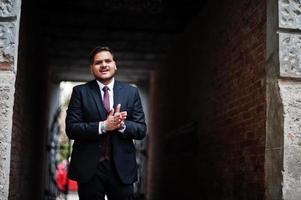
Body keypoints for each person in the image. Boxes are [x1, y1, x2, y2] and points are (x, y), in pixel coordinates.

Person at [65, 46, 147, 200]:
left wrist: (121, 125)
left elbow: (141, 129)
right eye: (98, 62)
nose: (103, 65)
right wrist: (103, 126)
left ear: (114, 64)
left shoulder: (131, 92)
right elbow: (71, 128)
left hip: (121, 169)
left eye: (107, 61)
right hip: (89, 169)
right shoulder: (80, 92)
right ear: (91, 68)